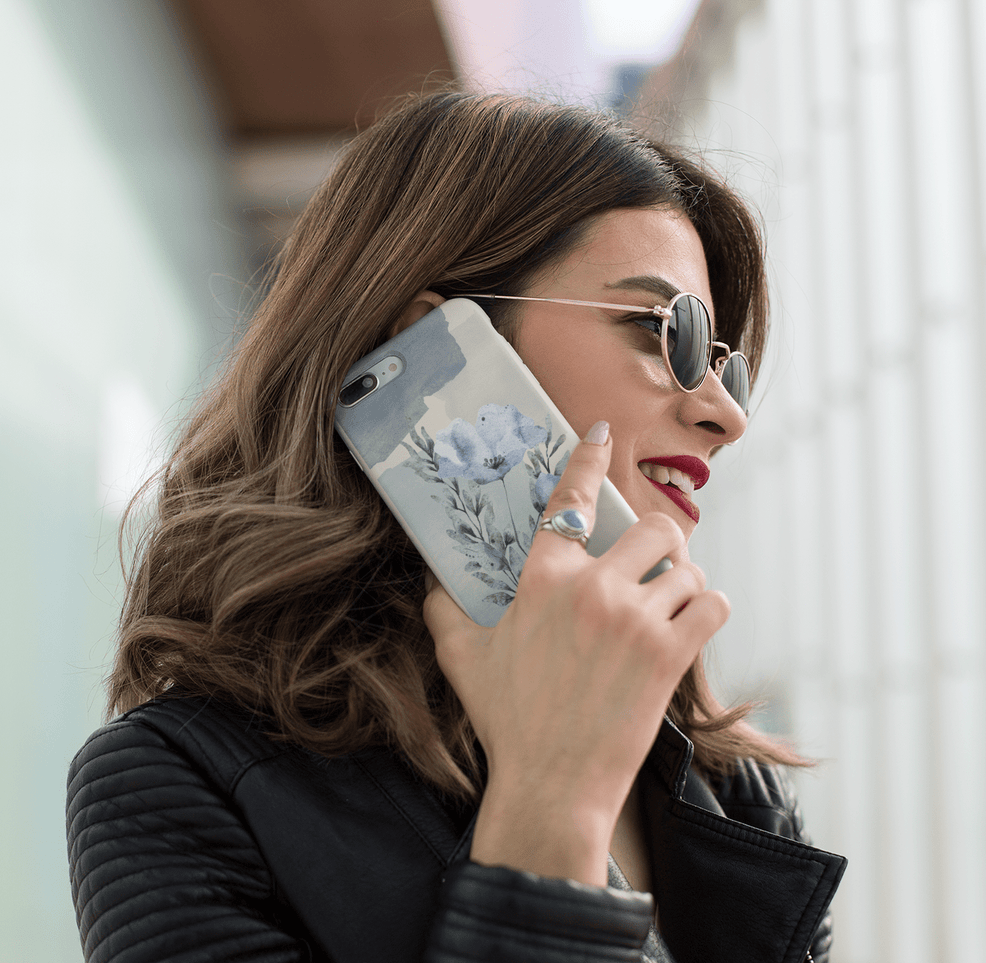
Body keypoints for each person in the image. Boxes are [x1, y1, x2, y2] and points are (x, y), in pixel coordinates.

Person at [65, 91, 845, 963]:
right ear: (429, 347)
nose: (725, 416)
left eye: (724, 367)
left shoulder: (727, 788)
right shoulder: (178, 780)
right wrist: (554, 802)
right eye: (665, 331)